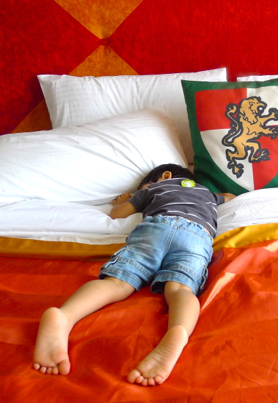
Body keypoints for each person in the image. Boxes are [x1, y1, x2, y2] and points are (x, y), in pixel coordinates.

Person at [32, 163, 235, 386]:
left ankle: (64, 316)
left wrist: (124, 201)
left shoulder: (153, 189)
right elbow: (230, 197)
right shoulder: (207, 194)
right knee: (180, 289)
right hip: (197, 235)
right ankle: (178, 331)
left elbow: (118, 214)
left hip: (157, 227)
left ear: (165, 176)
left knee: (117, 282)